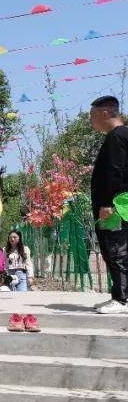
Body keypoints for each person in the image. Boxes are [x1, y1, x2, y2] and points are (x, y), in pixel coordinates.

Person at [89, 95, 128, 314]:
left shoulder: (116, 137)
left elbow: (115, 171)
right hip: (121, 203)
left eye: (92, 115)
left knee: (115, 249)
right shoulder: (122, 135)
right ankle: (120, 295)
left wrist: (106, 203)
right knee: (118, 248)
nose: (91, 120)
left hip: (115, 206)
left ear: (105, 113)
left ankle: (121, 299)